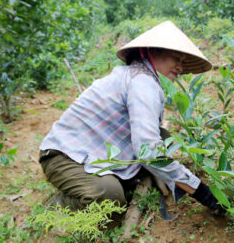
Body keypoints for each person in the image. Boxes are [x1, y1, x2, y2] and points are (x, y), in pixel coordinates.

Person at [38, 21, 224, 222]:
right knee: (109, 197)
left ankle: (123, 178)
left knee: (163, 136)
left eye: (183, 61)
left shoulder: (142, 78)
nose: (180, 66)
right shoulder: (142, 82)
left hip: (93, 150)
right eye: (176, 58)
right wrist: (201, 191)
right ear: (151, 52)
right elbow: (149, 150)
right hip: (63, 156)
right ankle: (62, 204)